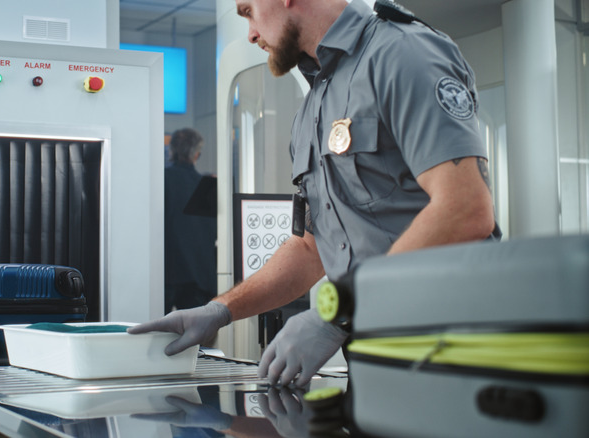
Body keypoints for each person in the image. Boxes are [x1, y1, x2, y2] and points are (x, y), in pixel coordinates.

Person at [129, 0, 499, 387]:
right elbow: (309, 248)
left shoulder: (402, 53)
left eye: (249, 11)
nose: (251, 33)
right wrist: (220, 309)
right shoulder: (312, 109)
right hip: (379, 356)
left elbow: (465, 209)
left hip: (455, 350)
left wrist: (335, 315)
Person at [163, 128, 218, 314]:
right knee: (193, 339)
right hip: (199, 277)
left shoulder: (160, 180)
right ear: (197, 154)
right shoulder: (208, 186)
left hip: (165, 275)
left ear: (171, 151)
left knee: (154, 336)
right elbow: (215, 234)